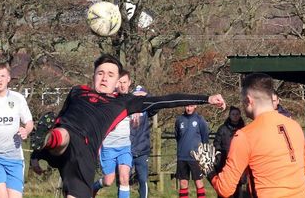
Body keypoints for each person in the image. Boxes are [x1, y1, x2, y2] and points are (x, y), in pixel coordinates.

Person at [29, 54, 226, 198]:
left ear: (117, 81)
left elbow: (164, 100)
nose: (104, 77)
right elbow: (58, 119)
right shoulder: (77, 91)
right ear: (93, 76)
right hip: (61, 139)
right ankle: (48, 140)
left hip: (84, 151)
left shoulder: (123, 102)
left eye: (110, 74)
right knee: (62, 131)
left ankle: (50, 140)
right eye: (100, 73)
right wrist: (36, 155)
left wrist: (206, 99)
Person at [192, 73, 305, 198]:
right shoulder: (295, 126)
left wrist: (209, 170)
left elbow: (225, 189)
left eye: (243, 101)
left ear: (249, 100)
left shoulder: (245, 135)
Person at [0, 62, 34, 198]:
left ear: (8, 78)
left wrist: (26, 130)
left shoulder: (18, 98)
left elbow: (29, 122)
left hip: (14, 158)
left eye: (3, 76)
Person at [92, 71, 136, 198]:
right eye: (120, 82)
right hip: (108, 147)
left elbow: (143, 97)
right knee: (108, 181)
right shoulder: (108, 100)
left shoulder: (132, 100)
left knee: (124, 178)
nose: (122, 85)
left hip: (125, 146)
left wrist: (137, 116)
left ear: (129, 83)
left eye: (124, 82)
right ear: (116, 83)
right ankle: (94, 187)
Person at [175, 105, 209, 198]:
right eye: (186, 106)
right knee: (183, 183)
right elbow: (178, 137)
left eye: (191, 106)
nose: (188, 108)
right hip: (182, 157)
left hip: (195, 157)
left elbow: (205, 138)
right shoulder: (179, 120)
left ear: (195, 106)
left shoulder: (200, 119)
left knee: (198, 182)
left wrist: (203, 154)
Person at [213, 106, 246, 198]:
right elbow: (216, 143)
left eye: (237, 114)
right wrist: (219, 156)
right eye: (233, 114)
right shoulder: (222, 129)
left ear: (240, 115)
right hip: (224, 162)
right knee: (224, 189)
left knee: (238, 189)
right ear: (229, 115)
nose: (235, 116)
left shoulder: (244, 129)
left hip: (239, 163)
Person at [130, 85, 154, 198]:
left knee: (143, 179)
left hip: (142, 151)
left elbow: (156, 105)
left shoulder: (146, 110)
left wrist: (147, 95)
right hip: (127, 150)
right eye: (136, 95)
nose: (138, 98)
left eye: (141, 96)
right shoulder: (127, 108)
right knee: (123, 180)